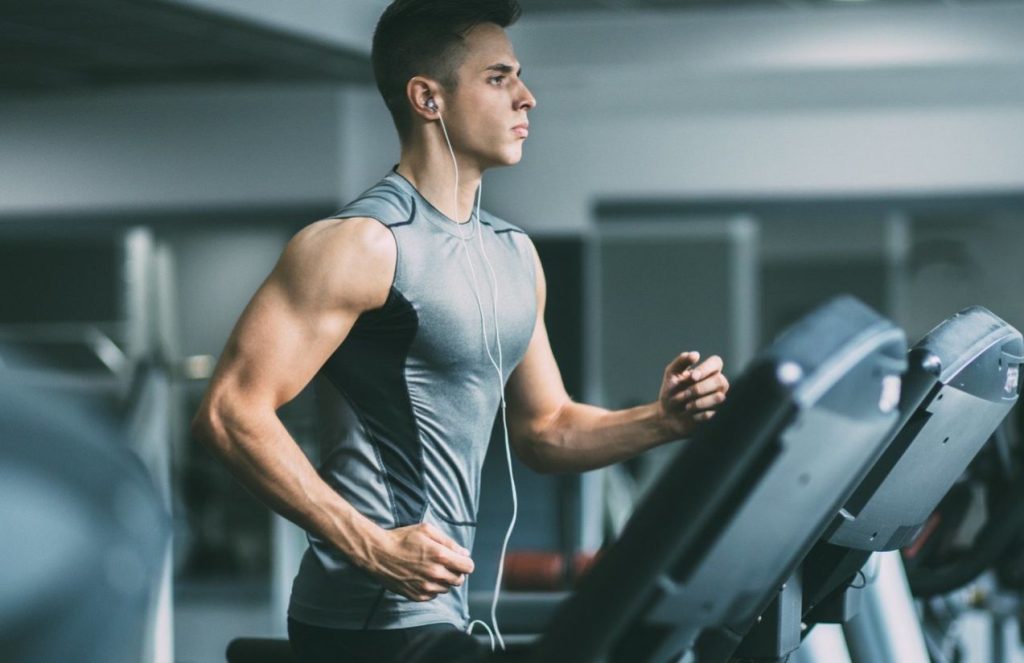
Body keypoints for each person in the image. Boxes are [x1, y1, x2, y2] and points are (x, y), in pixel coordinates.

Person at [191, 1, 730, 661]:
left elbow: (546, 428)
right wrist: (372, 545)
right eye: (499, 78)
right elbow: (228, 411)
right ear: (428, 98)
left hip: (443, 609)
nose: (527, 98)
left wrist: (663, 419)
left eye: (519, 77)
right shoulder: (362, 245)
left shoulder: (514, 254)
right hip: (366, 619)